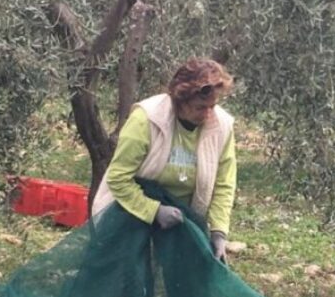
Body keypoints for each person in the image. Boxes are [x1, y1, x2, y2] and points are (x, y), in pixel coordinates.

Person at [90, 56, 237, 259]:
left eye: (213, 106)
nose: (208, 114)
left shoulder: (222, 126)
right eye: (200, 107)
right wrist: (154, 211)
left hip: (183, 220)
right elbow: (118, 179)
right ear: (180, 101)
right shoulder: (146, 120)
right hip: (131, 214)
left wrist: (219, 232)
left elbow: (224, 183)